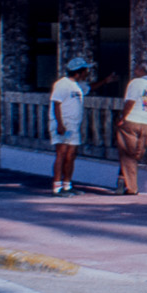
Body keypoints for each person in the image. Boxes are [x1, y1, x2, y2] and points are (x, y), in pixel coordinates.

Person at [116, 60, 147, 196]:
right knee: (136, 154)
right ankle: (123, 181)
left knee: (128, 155)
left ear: (141, 70)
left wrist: (122, 118)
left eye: (136, 68)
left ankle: (129, 186)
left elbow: (130, 102)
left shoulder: (135, 83)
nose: (135, 70)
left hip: (132, 120)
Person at [49, 58, 93, 197]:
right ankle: (57, 186)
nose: (87, 73)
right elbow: (56, 104)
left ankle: (67, 185)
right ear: (78, 72)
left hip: (74, 125)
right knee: (61, 154)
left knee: (71, 155)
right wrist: (60, 124)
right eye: (85, 71)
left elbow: (91, 87)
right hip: (64, 124)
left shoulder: (77, 86)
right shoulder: (62, 84)